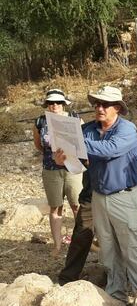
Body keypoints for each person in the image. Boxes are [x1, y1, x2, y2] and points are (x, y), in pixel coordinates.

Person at [84, 86, 137, 302]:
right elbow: (81, 161)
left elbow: (109, 150)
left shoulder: (127, 129)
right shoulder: (89, 130)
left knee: (133, 249)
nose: (99, 108)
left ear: (117, 108)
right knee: (107, 250)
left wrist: (75, 142)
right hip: (99, 196)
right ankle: (116, 296)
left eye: (105, 104)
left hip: (124, 197)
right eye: (97, 103)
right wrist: (63, 157)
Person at [57, 136, 137, 285]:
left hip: (118, 197)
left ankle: (121, 279)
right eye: (97, 110)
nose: (100, 111)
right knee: (82, 236)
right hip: (91, 195)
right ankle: (68, 278)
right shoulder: (88, 134)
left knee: (121, 239)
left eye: (105, 110)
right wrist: (63, 160)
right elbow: (75, 163)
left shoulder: (123, 135)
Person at [33, 89, 83, 257]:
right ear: (46, 104)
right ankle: (57, 245)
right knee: (56, 207)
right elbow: (39, 145)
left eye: (58, 102)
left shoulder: (75, 119)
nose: (54, 105)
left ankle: (82, 243)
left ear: (64, 104)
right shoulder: (40, 121)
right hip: (51, 170)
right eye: (51, 102)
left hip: (73, 169)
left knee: (77, 206)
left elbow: (83, 142)